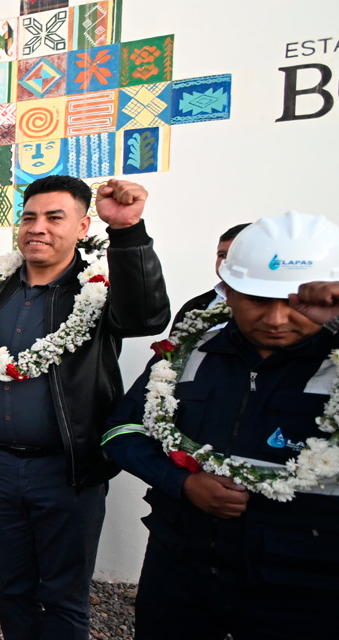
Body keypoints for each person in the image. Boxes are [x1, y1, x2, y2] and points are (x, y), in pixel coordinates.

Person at [102, 212, 339, 640]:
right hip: (181, 571)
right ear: (227, 290)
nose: (277, 318)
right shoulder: (190, 351)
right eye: (257, 299)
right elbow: (122, 431)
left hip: (304, 588)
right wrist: (181, 483)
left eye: (296, 301)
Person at [0, 176, 169, 640]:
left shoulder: (97, 286)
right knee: (12, 587)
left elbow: (147, 317)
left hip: (67, 469)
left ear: (82, 226)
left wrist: (128, 232)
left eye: (55, 217)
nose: (38, 227)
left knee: (63, 596)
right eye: (30, 217)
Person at [168, 222, 249, 332]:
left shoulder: (275, 308)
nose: (226, 262)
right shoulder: (194, 306)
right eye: (222, 255)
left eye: (236, 255)